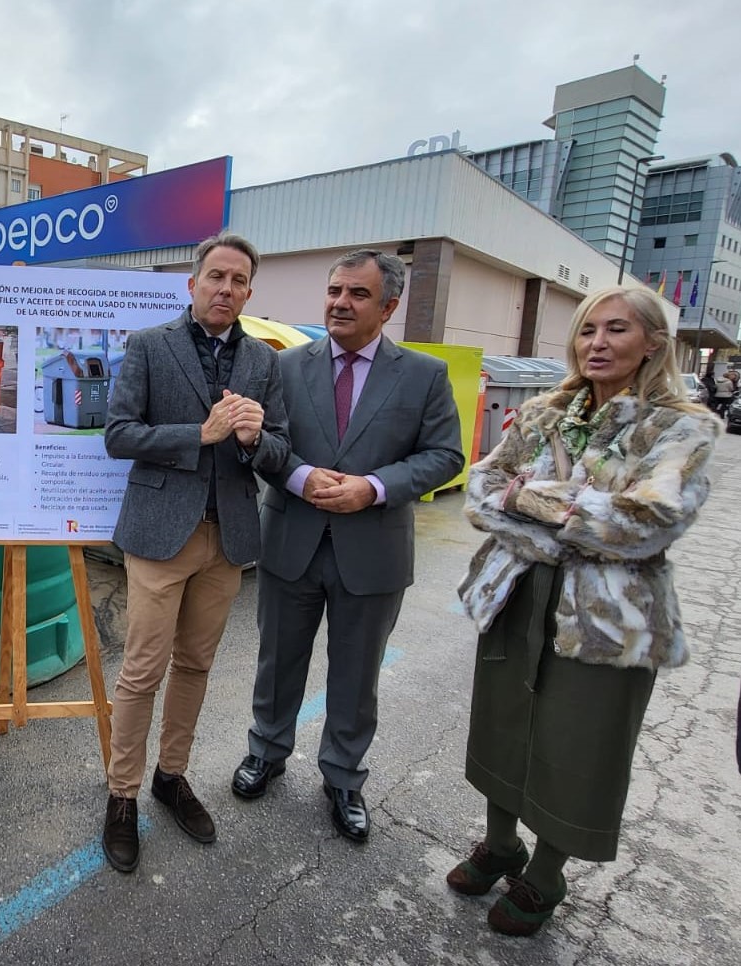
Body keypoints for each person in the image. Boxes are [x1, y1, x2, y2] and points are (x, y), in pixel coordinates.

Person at [449, 284, 718, 936]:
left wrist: (533, 502)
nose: (597, 343)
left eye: (617, 330)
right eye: (589, 330)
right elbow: (482, 492)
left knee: (578, 748)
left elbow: (648, 523)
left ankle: (544, 874)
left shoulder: (682, 427)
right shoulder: (547, 411)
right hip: (518, 594)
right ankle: (499, 844)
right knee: (502, 725)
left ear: (653, 343)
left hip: (608, 617)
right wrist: (567, 514)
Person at [232, 249, 463, 843]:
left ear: (388, 306)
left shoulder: (423, 375)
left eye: (357, 294)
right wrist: (300, 477)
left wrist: (375, 487)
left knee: (357, 675)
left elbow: (445, 456)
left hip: (374, 549)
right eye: (334, 290)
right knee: (278, 660)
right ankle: (266, 750)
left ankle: (343, 775)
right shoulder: (284, 368)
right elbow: (265, 443)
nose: (340, 302)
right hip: (291, 540)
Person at [99, 232, 291, 873]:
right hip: (160, 534)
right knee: (142, 669)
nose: (225, 289)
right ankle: (122, 793)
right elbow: (119, 435)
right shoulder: (150, 346)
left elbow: (279, 453)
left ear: (248, 291)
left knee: (196, 666)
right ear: (193, 282)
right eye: (216, 276)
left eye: (238, 281)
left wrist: (252, 439)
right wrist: (200, 434)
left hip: (227, 539)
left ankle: (170, 775)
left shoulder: (263, 362)